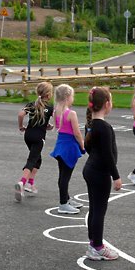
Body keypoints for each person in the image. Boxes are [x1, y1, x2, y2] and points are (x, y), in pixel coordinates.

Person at [82, 87, 122, 260]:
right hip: (99, 172)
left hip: (91, 169)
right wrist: (116, 176)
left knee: (94, 208)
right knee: (99, 210)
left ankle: (94, 243)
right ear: (106, 104)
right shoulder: (104, 127)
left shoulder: (91, 124)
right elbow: (107, 155)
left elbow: (88, 147)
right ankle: (97, 247)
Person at [14, 82, 54, 202]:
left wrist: (21, 126)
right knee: (32, 160)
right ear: (48, 94)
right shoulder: (50, 106)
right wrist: (51, 126)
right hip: (38, 138)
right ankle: (22, 182)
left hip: (28, 135)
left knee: (37, 159)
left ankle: (30, 184)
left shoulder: (32, 104)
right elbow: (56, 117)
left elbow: (21, 114)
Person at [49, 84, 85, 214]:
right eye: (72, 96)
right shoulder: (71, 113)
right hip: (69, 147)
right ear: (67, 97)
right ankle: (63, 203)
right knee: (65, 176)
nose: (73, 99)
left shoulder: (56, 111)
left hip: (60, 146)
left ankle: (66, 198)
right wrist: (83, 145)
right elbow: (77, 133)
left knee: (63, 175)